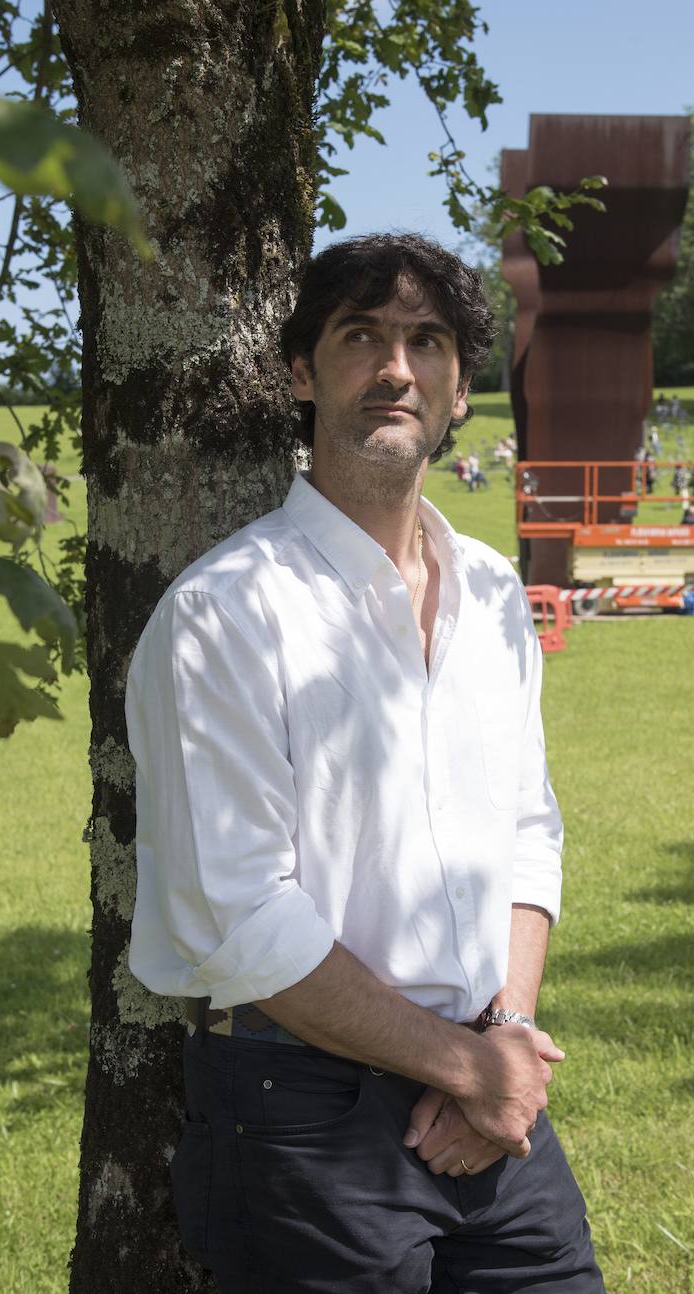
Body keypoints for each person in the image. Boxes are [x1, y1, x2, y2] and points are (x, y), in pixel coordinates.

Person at [125, 233, 606, 1294]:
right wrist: (471, 1068)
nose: (396, 368)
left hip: (488, 1101)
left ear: (457, 389)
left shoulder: (488, 592)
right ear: (301, 373)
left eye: (425, 342)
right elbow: (245, 915)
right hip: (302, 1115)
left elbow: (528, 830)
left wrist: (504, 1039)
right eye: (361, 337)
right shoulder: (226, 613)